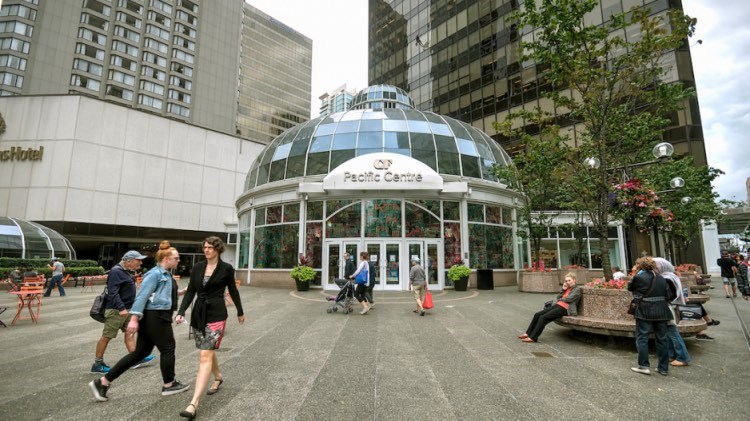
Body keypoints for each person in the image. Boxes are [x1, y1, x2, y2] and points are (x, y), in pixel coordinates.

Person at [89, 247, 189, 402]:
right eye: (176, 258)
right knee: (168, 348)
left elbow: (159, 295)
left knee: (140, 353)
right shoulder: (154, 274)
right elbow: (142, 296)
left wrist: (180, 292)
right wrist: (134, 318)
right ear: (166, 259)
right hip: (156, 317)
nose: (179, 260)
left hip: (156, 315)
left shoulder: (165, 274)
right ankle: (169, 384)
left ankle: (103, 382)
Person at [176, 236, 245, 419]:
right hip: (199, 313)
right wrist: (181, 311)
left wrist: (240, 311)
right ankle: (218, 377)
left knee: (204, 354)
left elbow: (233, 290)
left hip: (216, 314)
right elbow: (191, 290)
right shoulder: (198, 267)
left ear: (218, 249)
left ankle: (193, 403)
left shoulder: (226, 269)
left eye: (210, 248)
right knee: (208, 350)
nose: (206, 250)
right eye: (204, 247)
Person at [91, 251, 155, 374]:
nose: (141, 263)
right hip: (117, 311)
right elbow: (113, 292)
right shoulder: (116, 271)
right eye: (138, 260)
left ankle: (136, 359)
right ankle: (97, 364)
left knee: (129, 333)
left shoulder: (126, 271)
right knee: (107, 336)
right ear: (128, 261)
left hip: (127, 309)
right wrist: (121, 309)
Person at [628, 256, 675, 376]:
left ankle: (644, 366)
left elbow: (630, 287)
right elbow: (669, 294)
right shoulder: (661, 278)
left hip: (644, 310)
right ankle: (663, 368)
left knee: (642, 337)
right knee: (662, 339)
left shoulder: (638, 277)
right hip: (661, 311)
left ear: (640, 266)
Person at [519, 273, 581, 343]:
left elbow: (568, 299)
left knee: (543, 318)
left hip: (566, 309)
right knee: (537, 314)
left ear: (574, 280)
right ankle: (528, 333)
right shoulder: (567, 288)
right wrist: (563, 290)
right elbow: (558, 297)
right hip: (558, 305)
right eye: (566, 281)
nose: (567, 282)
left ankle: (533, 338)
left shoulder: (576, 290)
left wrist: (561, 298)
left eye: (569, 280)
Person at [653, 257, 691, 367]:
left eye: (655, 267)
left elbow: (667, 295)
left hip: (666, 308)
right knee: (668, 333)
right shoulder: (671, 277)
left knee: (673, 333)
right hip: (668, 307)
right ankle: (672, 354)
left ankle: (683, 357)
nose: (654, 269)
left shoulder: (666, 279)